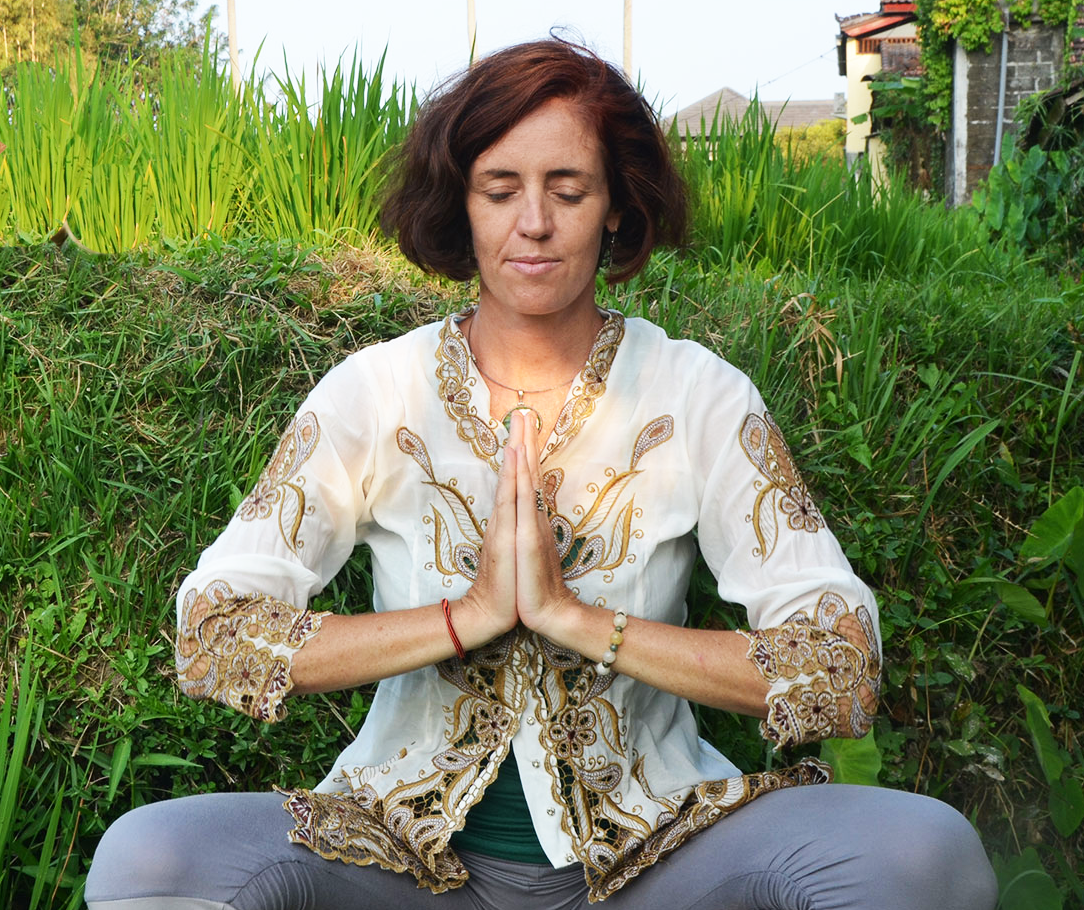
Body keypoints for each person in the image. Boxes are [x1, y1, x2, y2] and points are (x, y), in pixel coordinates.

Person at [86, 39, 998, 910]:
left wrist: (576, 619)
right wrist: (466, 618)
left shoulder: (697, 394)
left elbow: (839, 665)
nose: (533, 222)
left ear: (616, 207)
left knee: (923, 854)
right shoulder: (377, 391)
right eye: (500, 189)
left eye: (568, 190)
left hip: (658, 858)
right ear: (462, 205)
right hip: (403, 864)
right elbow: (213, 637)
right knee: (150, 856)